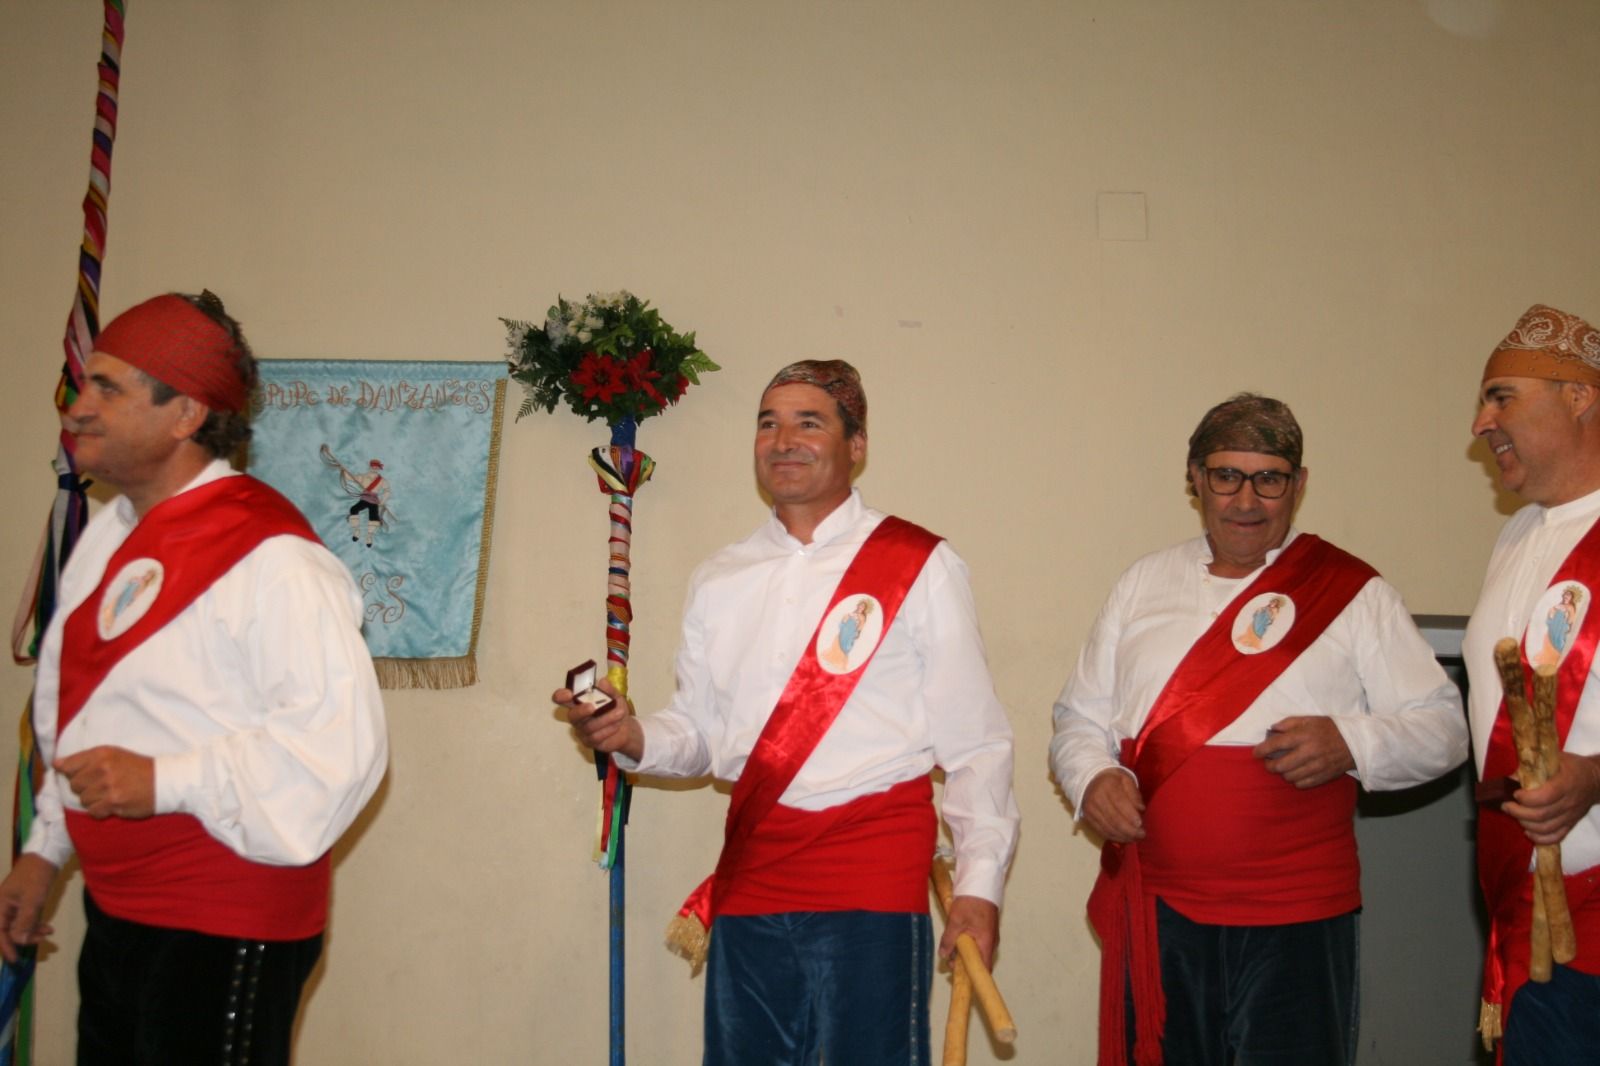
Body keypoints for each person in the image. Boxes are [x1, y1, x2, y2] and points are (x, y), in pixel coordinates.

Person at [553, 359, 1018, 1065]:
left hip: (872, 866)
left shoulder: (918, 563)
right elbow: (703, 734)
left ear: (856, 446)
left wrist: (980, 885)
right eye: (767, 423)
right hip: (755, 873)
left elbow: (976, 743)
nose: (782, 439)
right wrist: (632, 733)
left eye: (809, 422)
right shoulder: (719, 577)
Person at [0, 291, 388, 1065]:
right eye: (86, 384)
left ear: (185, 414)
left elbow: (339, 755)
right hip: (120, 914)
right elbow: (78, 714)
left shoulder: (277, 560)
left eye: (109, 388)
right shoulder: (106, 537)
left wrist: (167, 780)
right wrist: (45, 851)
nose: (79, 408)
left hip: (227, 923)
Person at [1050, 393, 1467, 1066]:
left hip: (1298, 921)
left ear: (1298, 486)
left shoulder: (1353, 593)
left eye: (1269, 478)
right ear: (1195, 478)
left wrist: (1351, 743)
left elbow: (1445, 729)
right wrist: (1092, 776)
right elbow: (1079, 717)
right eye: (1226, 476)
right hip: (1162, 916)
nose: (1246, 499)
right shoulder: (1142, 586)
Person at [1464, 303, 1600, 1064]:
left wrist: (1595, 778)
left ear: (1579, 397)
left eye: (1501, 396)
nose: (1481, 422)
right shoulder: (1516, 536)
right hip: (1531, 915)